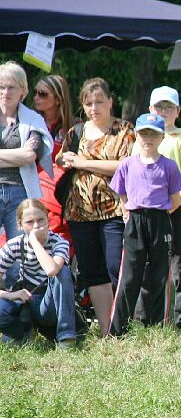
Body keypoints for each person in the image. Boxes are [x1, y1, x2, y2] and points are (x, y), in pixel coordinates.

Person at [56, 77, 134, 337]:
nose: (94, 108)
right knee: (93, 272)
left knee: (115, 268)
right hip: (79, 212)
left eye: (99, 102)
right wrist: (66, 159)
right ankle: (107, 331)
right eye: (88, 103)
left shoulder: (124, 130)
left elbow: (124, 165)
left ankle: (123, 324)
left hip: (113, 209)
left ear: (111, 102)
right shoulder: (76, 132)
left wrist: (82, 163)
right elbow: (62, 157)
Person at [133, 86, 181, 337]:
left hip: (177, 209)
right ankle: (147, 324)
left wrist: (172, 205)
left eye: (169, 107)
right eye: (158, 107)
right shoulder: (142, 138)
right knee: (148, 267)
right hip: (147, 212)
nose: (163, 111)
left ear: (178, 112)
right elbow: (134, 173)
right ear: (149, 109)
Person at [108, 113, 181, 337]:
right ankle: (117, 331)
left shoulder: (168, 166)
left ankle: (157, 327)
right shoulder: (127, 165)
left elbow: (176, 194)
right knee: (129, 277)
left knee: (159, 274)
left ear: (162, 138)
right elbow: (120, 192)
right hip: (135, 221)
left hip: (160, 221)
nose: (148, 139)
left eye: (153, 134)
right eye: (143, 134)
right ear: (136, 136)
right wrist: (126, 211)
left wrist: (165, 211)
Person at [0, 199, 77, 350]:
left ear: (48, 220)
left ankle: (66, 337)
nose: (36, 226)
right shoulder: (14, 245)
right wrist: (11, 294)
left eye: (41, 220)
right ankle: (23, 334)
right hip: (26, 302)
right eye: (30, 222)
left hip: (49, 305)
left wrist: (34, 242)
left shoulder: (59, 242)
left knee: (63, 271)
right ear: (19, 225)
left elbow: (51, 270)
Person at [0, 62, 53, 240]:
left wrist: (24, 155)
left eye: (11, 87)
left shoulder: (33, 119)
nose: (6, 92)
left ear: (23, 90)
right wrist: (19, 155)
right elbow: (24, 155)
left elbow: (31, 155)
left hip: (19, 193)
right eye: (1, 87)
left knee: (19, 251)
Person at [31, 74, 75, 243]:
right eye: (35, 92)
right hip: (28, 193)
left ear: (58, 99)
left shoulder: (74, 128)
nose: (36, 98)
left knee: (55, 248)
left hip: (56, 200)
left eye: (42, 94)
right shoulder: (29, 122)